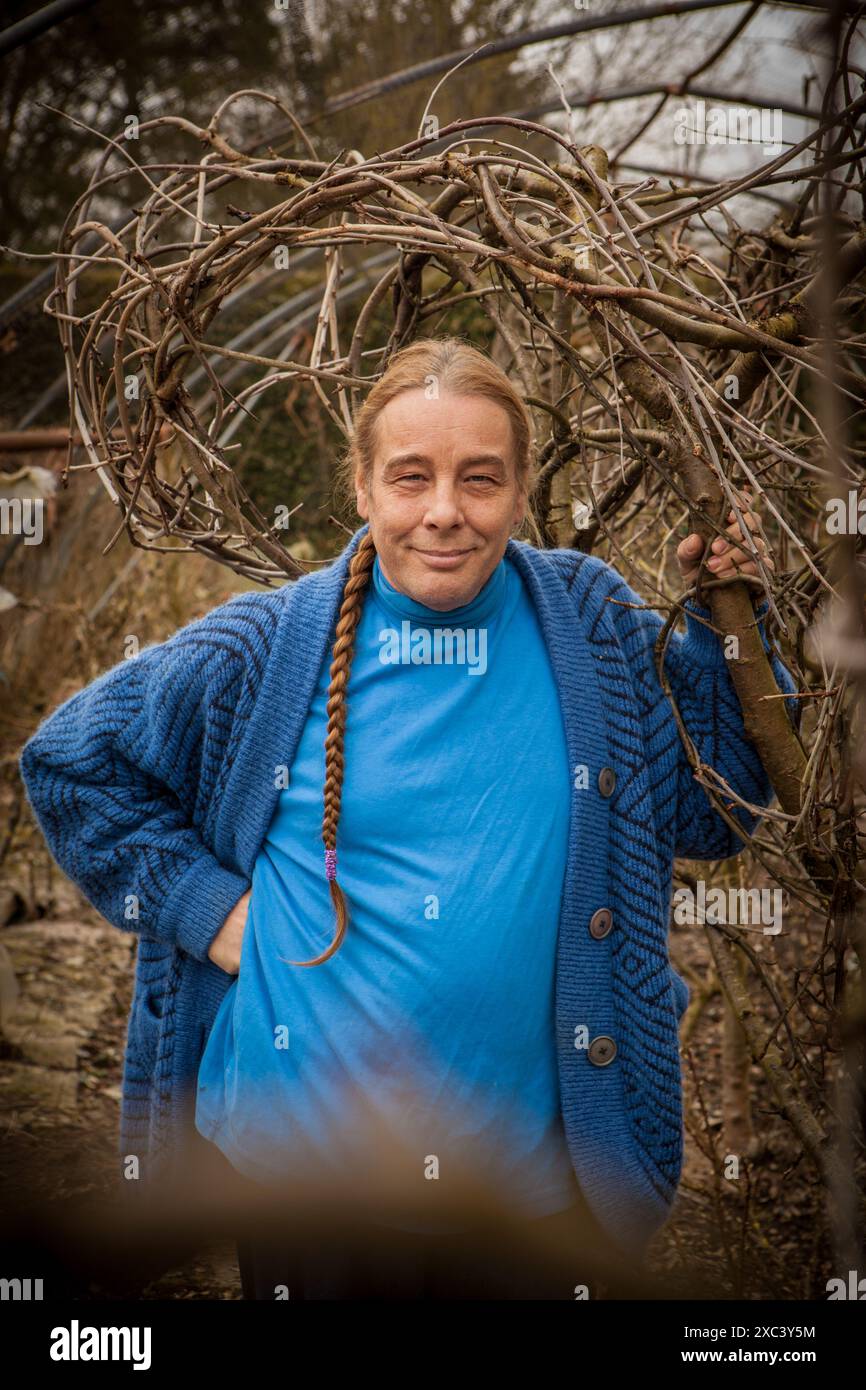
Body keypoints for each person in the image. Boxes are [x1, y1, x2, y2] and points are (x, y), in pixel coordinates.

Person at [19, 336, 798, 1300]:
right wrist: (212, 916)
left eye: (481, 479)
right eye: (410, 477)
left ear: (520, 493)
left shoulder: (590, 628)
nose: (444, 512)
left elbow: (713, 810)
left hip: (534, 1192)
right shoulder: (265, 651)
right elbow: (70, 762)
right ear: (361, 486)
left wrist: (731, 626)